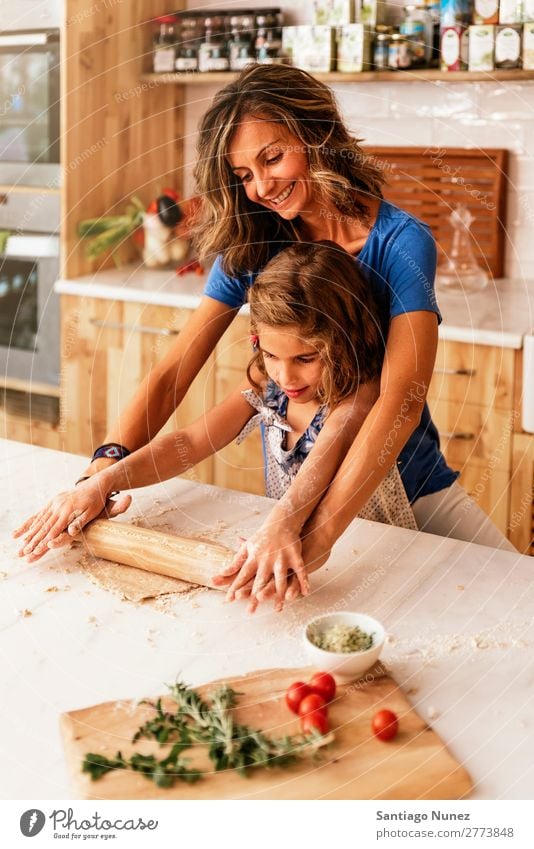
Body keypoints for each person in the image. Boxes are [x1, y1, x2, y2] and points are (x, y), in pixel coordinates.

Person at [14, 64, 515, 606]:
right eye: (244, 174)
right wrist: (102, 473)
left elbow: (398, 403)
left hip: (415, 486)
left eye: (272, 157)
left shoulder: (400, 243)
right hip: (297, 509)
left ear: (317, 135)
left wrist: (317, 537)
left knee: (510, 595)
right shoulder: (252, 242)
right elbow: (171, 373)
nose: (261, 186)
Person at [15, 242, 416, 611]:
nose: (286, 376)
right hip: (287, 541)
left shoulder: (358, 396)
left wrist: (279, 526)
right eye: (272, 354)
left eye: (306, 358)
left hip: (375, 549)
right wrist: (101, 482)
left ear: (344, 341)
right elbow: (188, 442)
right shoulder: (268, 383)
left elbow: (321, 468)